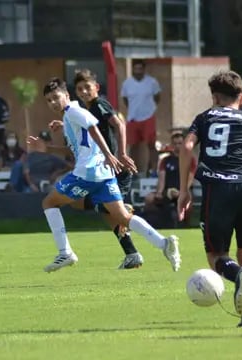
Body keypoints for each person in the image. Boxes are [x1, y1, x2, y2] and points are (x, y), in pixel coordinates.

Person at [39, 77, 180, 273]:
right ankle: (164, 244)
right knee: (121, 216)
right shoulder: (70, 115)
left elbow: (93, 128)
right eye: (49, 100)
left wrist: (110, 155)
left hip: (87, 172)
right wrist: (49, 146)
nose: (53, 102)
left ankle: (65, 252)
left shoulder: (74, 110)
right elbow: (78, 144)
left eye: (56, 97)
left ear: (67, 96)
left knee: (49, 202)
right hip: (102, 173)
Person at [177, 70, 242, 327]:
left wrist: (184, 189)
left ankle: (236, 274)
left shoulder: (205, 117)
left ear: (214, 97)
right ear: (241, 97)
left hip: (217, 190)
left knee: (217, 255)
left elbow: (186, 147)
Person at [73, 69, 144, 269]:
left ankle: (124, 212)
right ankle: (131, 254)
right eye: (80, 89)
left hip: (117, 168)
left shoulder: (100, 104)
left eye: (87, 87)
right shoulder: (86, 110)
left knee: (92, 205)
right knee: (101, 211)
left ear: (96, 87)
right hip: (103, 170)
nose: (84, 91)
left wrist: (121, 153)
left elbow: (119, 125)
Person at [144, 133, 197, 224]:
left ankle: (185, 224)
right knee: (149, 198)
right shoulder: (165, 160)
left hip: (183, 191)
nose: (177, 146)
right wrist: (160, 192)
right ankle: (155, 223)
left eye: (180, 143)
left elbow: (190, 178)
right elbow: (161, 178)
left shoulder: (190, 159)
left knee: (189, 203)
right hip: (167, 191)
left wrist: (182, 191)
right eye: (175, 143)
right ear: (172, 145)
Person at [121, 59, 161, 176]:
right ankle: (133, 171)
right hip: (133, 118)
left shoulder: (152, 82)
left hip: (148, 117)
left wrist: (149, 109)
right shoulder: (127, 83)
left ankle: (154, 171)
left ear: (144, 69)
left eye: (140, 69)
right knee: (133, 146)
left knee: (151, 144)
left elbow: (157, 97)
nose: (138, 71)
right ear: (133, 70)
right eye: (136, 69)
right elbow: (125, 100)